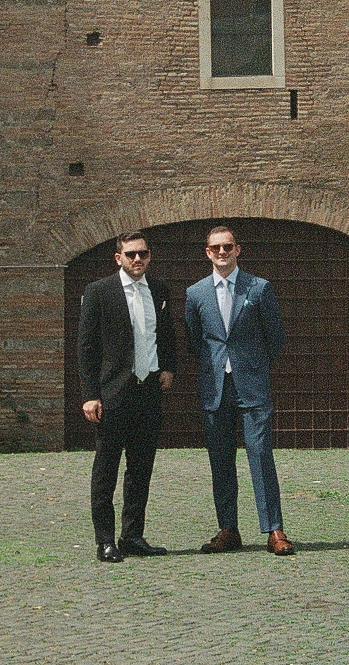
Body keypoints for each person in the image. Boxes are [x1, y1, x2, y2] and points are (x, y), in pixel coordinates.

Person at [184, 222, 295, 556]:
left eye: (228, 247)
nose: (222, 252)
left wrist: (253, 365)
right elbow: (195, 341)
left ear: (237, 250)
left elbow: (275, 336)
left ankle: (274, 529)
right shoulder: (196, 293)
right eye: (216, 247)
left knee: (260, 454)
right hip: (215, 388)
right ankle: (228, 529)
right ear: (208, 252)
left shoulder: (258, 288)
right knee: (220, 459)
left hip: (252, 386)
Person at [77, 231, 176, 562]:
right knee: (106, 468)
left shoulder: (158, 289)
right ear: (118, 258)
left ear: (149, 256)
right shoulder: (99, 292)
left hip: (147, 392)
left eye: (143, 254)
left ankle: (132, 536)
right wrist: (90, 395)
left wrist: (168, 367)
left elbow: (166, 333)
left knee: (141, 468)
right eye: (131, 254)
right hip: (113, 394)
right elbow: (87, 347)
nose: (137, 259)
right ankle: (105, 541)